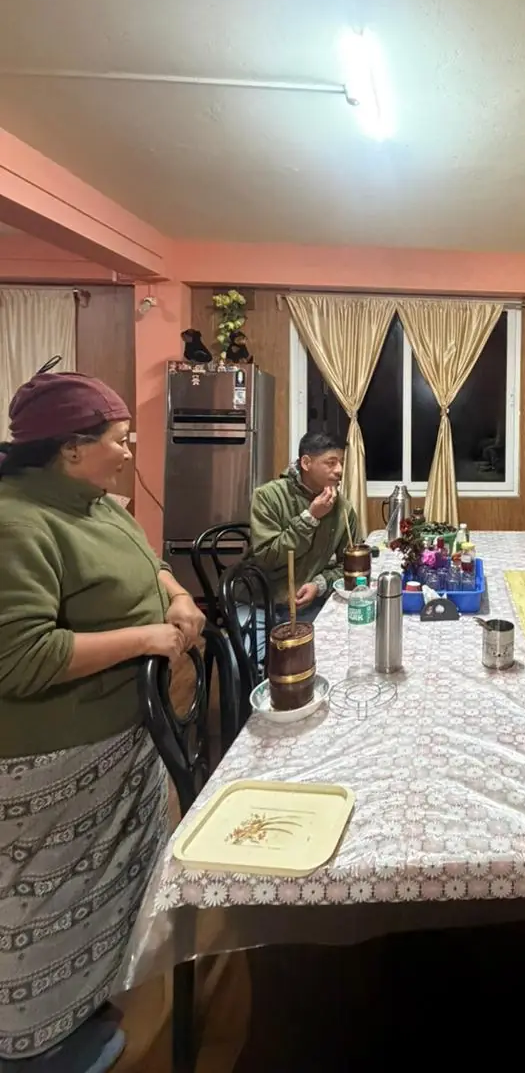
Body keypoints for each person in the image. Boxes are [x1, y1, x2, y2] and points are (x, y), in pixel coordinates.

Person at [0, 372, 206, 1071]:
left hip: (121, 740)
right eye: (119, 439)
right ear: (70, 448)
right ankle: (35, 1047)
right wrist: (147, 638)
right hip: (55, 756)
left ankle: (86, 1009)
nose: (130, 449)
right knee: (44, 907)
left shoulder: (96, 504)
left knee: (103, 893)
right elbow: (21, 658)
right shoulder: (17, 522)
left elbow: (152, 565)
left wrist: (176, 597)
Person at [249, 431, 359, 619]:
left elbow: (351, 565)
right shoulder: (267, 496)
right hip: (264, 603)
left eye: (341, 462)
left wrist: (320, 584)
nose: (340, 470)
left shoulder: (343, 508)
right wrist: (310, 518)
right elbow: (266, 558)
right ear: (306, 463)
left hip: (312, 605)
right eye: (331, 463)